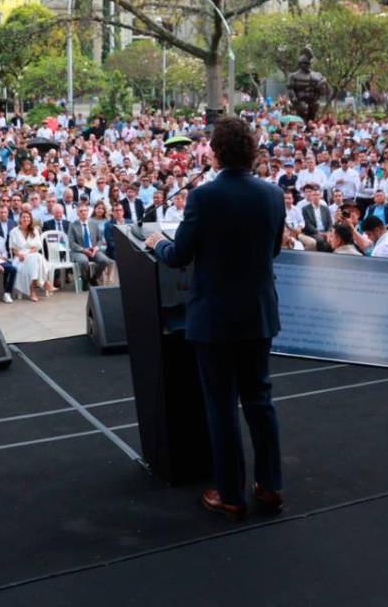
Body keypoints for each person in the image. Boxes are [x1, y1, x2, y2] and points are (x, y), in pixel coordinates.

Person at [146, 116, 284, 520]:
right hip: (258, 313)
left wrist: (157, 243)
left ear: (218, 151)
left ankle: (230, 495)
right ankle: (271, 486)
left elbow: (179, 256)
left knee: (222, 406)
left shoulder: (204, 197)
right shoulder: (273, 194)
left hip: (215, 318)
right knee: (260, 400)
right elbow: (272, 251)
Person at [9, 210, 51, 301]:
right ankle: (44, 282)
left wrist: (27, 254)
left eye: (28, 217)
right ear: (19, 219)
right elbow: (13, 249)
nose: (26, 219)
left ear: (30, 219)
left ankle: (33, 290)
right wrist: (20, 254)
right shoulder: (14, 231)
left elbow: (36, 247)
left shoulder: (34, 230)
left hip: (31, 254)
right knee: (38, 258)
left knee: (36, 257)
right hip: (19, 257)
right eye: (23, 217)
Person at [68, 203, 111, 287]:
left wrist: (96, 248)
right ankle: (85, 279)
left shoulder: (94, 224)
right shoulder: (72, 225)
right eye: (81, 211)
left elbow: (100, 239)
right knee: (83, 261)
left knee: (105, 260)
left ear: (88, 212)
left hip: (93, 250)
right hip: (79, 251)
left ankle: (94, 278)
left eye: (85, 211)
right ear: (78, 214)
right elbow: (71, 243)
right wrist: (83, 250)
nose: (83, 213)